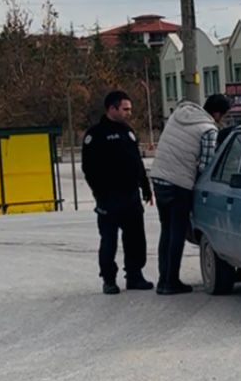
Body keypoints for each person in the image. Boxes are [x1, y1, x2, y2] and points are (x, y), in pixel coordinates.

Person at [151, 93, 231, 295]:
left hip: (159, 179)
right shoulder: (208, 129)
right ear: (217, 113)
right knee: (177, 232)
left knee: (166, 230)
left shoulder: (179, 114)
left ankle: (163, 280)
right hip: (179, 184)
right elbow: (206, 166)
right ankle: (171, 282)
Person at [81, 90, 154, 295]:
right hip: (109, 198)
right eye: (125, 109)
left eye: (130, 109)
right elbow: (89, 169)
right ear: (112, 109)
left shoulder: (128, 132)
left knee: (135, 238)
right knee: (109, 240)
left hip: (131, 196)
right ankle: (109, 279)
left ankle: (134, 275)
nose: (129, 113)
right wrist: (99, 193)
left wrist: (145, 187)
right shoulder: (95, 135)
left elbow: (137, 163)